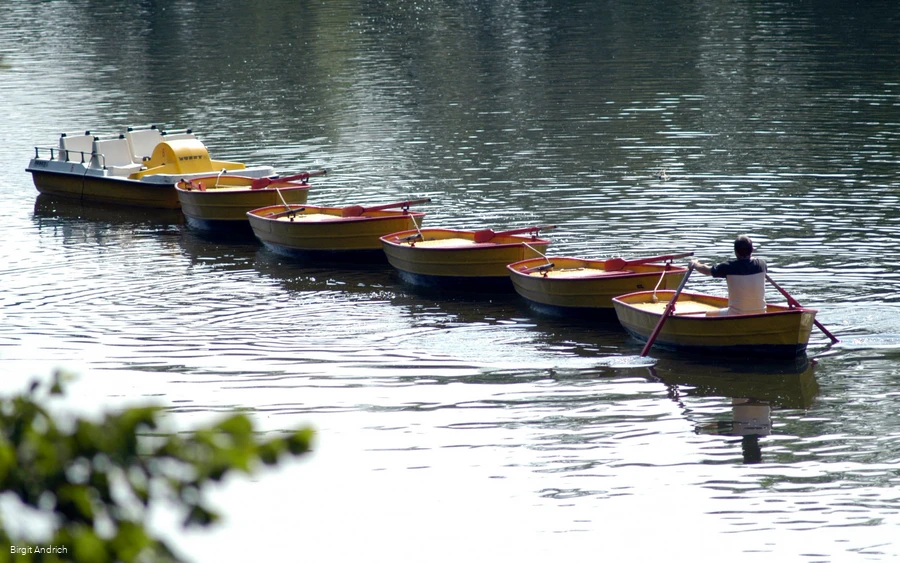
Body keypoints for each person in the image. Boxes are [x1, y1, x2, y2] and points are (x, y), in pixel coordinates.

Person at [690, 235, 767, 316]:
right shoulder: (762, 264)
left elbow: (706, 270)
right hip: (761, 312)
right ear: (752, 250)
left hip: (735, 314)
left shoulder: (728, 267)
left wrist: (695, 264)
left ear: (735, 252)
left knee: (708, 314)